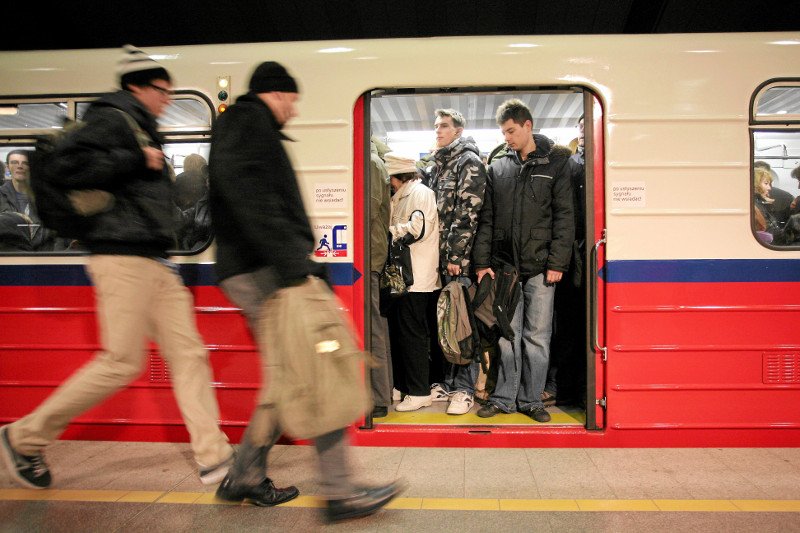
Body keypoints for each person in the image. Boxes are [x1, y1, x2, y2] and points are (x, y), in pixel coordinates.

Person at [0, 45, 235, 490]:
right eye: (161, 90)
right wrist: (134, 158)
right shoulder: (111, 119)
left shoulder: (142, 126)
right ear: (136, 87)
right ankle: (23, 438)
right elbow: (68, 166)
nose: (167, 98)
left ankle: (217, 458)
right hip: (120, 258)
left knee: (189, 355)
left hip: (153, 261)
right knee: (121, 363)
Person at [208, 60, 403, 521]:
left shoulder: (250, 128)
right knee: (316, 370)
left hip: (265, 268)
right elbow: (253, 202)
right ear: (275, 94)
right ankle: (340, 492)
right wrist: (299, 267)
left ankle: (245, 477)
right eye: (292, 101)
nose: (294, 112)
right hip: (266, 271)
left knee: (288, 376)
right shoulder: (247, 126)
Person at [472, 98, 575, 422]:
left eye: (512, 131)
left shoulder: (555, 162)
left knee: (537, 338)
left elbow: (564, 217)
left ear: (527, 125)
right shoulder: (498, 166)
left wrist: (558, 263)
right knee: (507, 336)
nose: (508, 138)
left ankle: (531, 400)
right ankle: (504, 398)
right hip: (505, 268)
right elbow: (486, 218)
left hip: (542, 269)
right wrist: (481, 262)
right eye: (504, 133)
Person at [425, 108, 487, 416]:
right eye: (436, 126)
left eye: (444, 126)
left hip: (456, 261)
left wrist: (456, 257)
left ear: (458, 131)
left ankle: (464, 388)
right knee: (445, 323)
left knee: (462, 324)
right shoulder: (438, 164)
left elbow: (468, 213)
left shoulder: (469, 162)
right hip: (438, 259)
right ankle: (448, 384)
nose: (438, 131)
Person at [383, 153, 440, 412]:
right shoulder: (405, 194)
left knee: (412, 334)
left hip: (417, 277)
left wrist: (389, 232)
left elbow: (417, 229)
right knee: (402, 332)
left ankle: (419, 391)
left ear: (396, 176)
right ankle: (406, 386)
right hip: (406, 277)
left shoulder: (420, 193)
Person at [545, 114, 587, 408]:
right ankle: (567, 388)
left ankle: (569, 387)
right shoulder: (573, 164)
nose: (583, 131)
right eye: (580, 127)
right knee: (568, 325)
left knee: (570, 326)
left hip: (579, 254)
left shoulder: (578, 164)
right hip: (573, 255)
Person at [368, 136, 393, 418]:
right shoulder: (376, 163)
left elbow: (367, 212)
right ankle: (379, 391)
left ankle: (378, 397)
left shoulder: (372, 165)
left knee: (372, 326)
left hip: (369, 256)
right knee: (374, 325)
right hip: (371, 255)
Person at [0, 149, 57, 251]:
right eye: (14, 162)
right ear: (8, 167)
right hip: (9, 256)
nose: (20, 166)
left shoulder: (47, 197)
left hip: (44, 257)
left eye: (25, 163)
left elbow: (57, 232)